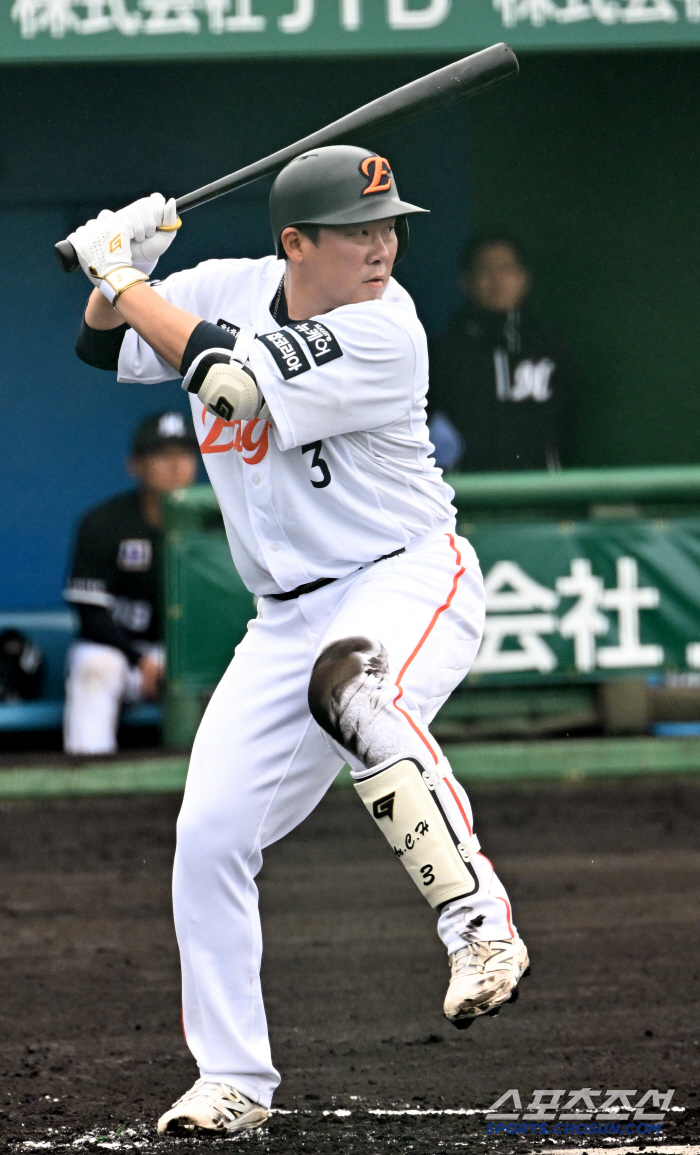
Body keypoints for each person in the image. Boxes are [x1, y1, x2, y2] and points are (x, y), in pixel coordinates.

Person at [66, 155, 529, 1136]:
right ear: (294, 244)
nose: (382, 246)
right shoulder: (223, 285)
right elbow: (101, 347)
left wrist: (125, 275)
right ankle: (234, 1081)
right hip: (281, 615)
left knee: (353, 691)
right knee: (208, 837)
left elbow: (227, 384)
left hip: (404, 574)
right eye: (358, 230)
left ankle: (479, 929)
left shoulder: (384, 326)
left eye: (389, 226)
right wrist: (127, 262)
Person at [63, 410, 198, 756]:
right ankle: (88, 785)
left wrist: (184, 663)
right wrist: (140, 659)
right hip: (124, 653)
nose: (175, 465)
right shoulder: (103, 523)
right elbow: (91, 617)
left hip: (192, 658)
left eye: (184, 453)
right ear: (134, 465)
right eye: (161, 455)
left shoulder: (219, 523)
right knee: (94, 666)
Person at [428, 232, 577, 472]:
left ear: (523, 278)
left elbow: (570, 428)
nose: (497, 280)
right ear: (465, 280)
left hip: (544, 495)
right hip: (466, 498)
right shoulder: (444, 352)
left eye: (506, 269)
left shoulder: (550, 348)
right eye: (485, 270)